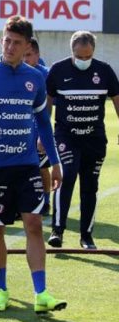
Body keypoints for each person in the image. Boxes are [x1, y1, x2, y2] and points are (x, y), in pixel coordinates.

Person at [0, 15, 66, 314]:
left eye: (17, 43)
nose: (10, 46)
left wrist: (55, 162)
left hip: (28, 165)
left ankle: (41, 293)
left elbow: (45, 124)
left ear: (27, 46)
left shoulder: (36, 79)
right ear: (1, 40)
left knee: (34, 224)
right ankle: (1, 290)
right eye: (6, 40)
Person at [46, 31, 119, 250]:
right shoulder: (58, 71)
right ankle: (57, 230)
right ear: (72, 52)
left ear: (93, 52)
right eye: (80, 56)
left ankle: (86, 235)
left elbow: (117, 100)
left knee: (90, 185)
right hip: (66, 136)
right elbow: (47, 103)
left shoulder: (104, 71)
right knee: (66, 175)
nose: (84, 61)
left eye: (88, 57)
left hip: (94, 139)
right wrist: (43, 133)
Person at [24, 38, 52, 216]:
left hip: (38, 130)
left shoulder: (46, 75)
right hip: (19, 131)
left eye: (29, 55)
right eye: (23, 55)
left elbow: (49, 106)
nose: (25, 59)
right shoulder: (15, 72)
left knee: (42, 167)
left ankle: (47, 200)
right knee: (23, 168)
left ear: (37, 55)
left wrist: (44, 132)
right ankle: (25, 202)